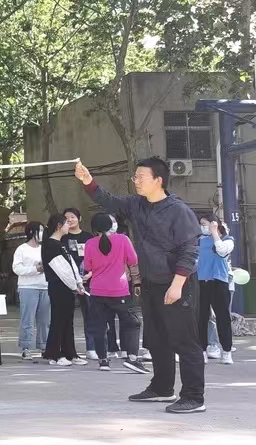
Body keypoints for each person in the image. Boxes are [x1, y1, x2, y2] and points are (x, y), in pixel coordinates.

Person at [76, 157, 204, 414]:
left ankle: (194, 397)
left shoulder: (178, 210)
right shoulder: (137, 205)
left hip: (177, 283)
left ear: (158, 180)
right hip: (150, 282)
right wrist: (88, 181)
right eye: (135, 177)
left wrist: (177, 285)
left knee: (184, 340)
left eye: (141, 177)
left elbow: (189, 250)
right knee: (157, 339)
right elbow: (109, 201)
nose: (136, 181)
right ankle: (162, 388)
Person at [82, 213, 149, 374]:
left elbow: (88, 266)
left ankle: (103, 360)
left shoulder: (90, 243)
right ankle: (132, 358)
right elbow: (133, 260)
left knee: (100, 326)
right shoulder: (122, 240)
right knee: (132, 323)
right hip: (119, 289)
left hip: (97, 290)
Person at [61, 208, 115, 361]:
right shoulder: (62, 238)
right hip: (67, 280)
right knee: (66, 316)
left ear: (79, 218)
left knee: (90, 314)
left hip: (88, 280)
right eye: (66, 218)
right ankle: (67, 349)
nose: (70, 220)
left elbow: (97, 258)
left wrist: (90, 273)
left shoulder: (88, 238)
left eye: (72, 217)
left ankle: (91, 347)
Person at [41, 213, 89, 367]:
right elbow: (61, 270)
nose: (69, 225)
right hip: (58, 287)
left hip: (67, 287)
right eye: (66, 223)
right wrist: (75, 285)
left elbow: (71, 266)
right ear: (59, 226)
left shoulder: (60, 243)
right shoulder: (50, 245)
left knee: (68, 321)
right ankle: (55, 355)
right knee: (59, 320)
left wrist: (78, 283)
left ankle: (70, 353)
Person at [196, 214, 234, 365]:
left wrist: (214, 233)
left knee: (223, 318)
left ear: (214, 224)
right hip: (201, 281)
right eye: (201, 224)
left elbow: (222, 251)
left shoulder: (227, 240)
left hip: (219, 282)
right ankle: (202, 351)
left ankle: (227, 351)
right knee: (201, 318)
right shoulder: (199, 240)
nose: (203, 227)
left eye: (205, 224)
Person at [13, 222, 50, 360]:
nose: (41, 233)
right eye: (39, 230)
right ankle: (26, 347)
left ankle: (44, 346)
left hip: (45, 286)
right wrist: (35, 269)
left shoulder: (44, 248)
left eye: (42, 230)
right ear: (31, 232)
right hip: (27, 287)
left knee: (45, 320)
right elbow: (17, 268)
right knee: (27, 319)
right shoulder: (22, 249)